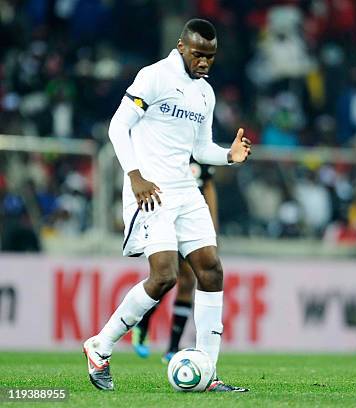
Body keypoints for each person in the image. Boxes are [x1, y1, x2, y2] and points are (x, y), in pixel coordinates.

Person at [83, 19, 251, 392]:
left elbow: (200, 149)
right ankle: (100, 345)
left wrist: (229, 156)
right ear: (181, 47)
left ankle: (208, 371)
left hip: (185, 190)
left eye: (211, 56)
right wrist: (135, 175)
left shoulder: (205, 94)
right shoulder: (155, 76)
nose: (205, 62)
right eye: (198, 54)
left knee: (211, 270)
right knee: (165, 276)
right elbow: (117, 126)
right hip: (151, 189)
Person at [132, 163, 218, 363]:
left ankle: (172, 347)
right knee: (167, 277)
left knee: (187, 280)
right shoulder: (166, 147)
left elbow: (208, 187)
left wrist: (212, 228)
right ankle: (143, 323)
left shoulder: (199, 151)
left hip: (192, 220)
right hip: (168, 218)